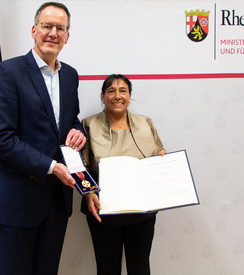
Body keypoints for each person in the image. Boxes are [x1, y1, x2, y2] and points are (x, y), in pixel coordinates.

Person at [0, 2, 86, 275]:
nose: (53, 33)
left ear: (67, 36)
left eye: (60, 28)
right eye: (47, 26)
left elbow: (71, 121)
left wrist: (78, 131)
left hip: (56, 202)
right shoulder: (8, 72)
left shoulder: (70, 75)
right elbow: (3, 139)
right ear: (34, 30)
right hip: (18, 200)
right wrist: (52, 167)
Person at [81, 74, 167, 275]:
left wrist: (164, 162)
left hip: (142, 212)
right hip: (103, 211)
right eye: (111, 91)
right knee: (107, 268)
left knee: (140, 268)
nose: (117, 96)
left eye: (123, 91)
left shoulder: (146, 122)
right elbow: (80, 167)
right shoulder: (88, 124)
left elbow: (160, 153)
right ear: (103, 97)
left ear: (130, 96)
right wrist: (88, 194)